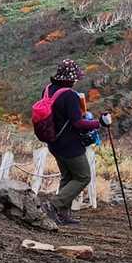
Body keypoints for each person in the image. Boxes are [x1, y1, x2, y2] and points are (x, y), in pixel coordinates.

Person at [39, 59, 100, 225]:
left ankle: (62, 214)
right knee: (83, 176)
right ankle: (53, 205)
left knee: (68, 177)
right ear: (70, 78)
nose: (75, 81)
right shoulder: (70, 96)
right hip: (70, 144)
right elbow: (78, 123)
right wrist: (99, 123)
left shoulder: (47, 90)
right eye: (74, 78)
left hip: (53, 142)